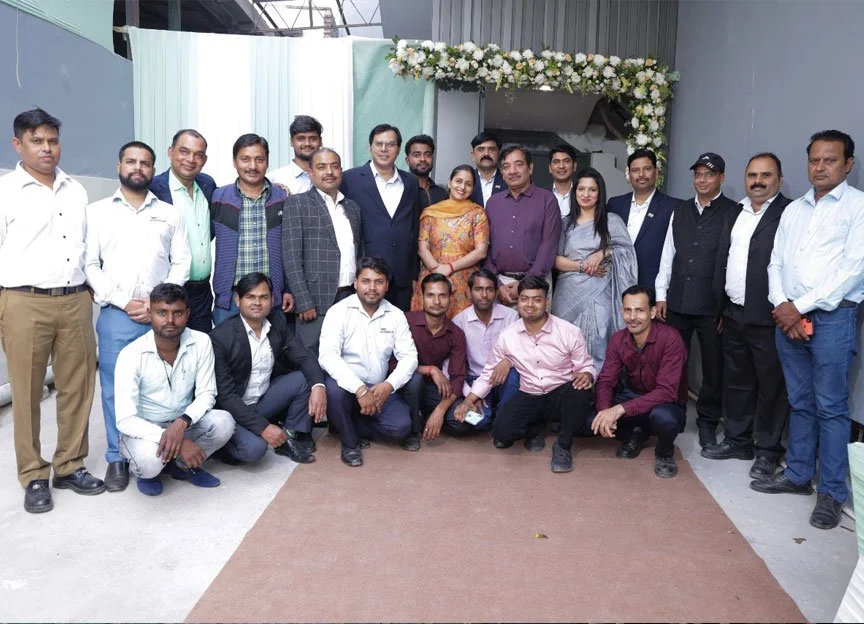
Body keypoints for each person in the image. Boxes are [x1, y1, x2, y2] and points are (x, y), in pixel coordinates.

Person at [753, 130, 864, 531]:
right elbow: (776, 262)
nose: (820, 167)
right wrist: (783, 306)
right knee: (800, 401)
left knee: (831, 407)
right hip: (788, 317)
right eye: (814, 160)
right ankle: (799, 474)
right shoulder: (795, 210)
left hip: (833, 319)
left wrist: (797, 308)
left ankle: (832, 493)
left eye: (829, 160)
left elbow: (852, 270)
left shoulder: (857, 207)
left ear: (848, 164)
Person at [0, 108, 104, 513]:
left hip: (75, 299)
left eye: (52, 140)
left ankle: (70, 465)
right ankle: (33, 474)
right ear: (18, 145)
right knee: (26, 391)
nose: (47, 148)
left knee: (77, 385)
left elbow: (84, 246)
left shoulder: (75, 190)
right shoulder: (6, 190)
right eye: (37, 141)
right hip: (24, 300)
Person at [85, 140, 191, 492]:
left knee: (164, 384)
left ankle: (162, 451)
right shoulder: (97, 212)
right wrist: (121, 300)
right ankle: (117, 457)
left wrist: (157, 303)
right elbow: (90, 264)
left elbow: (182, 262)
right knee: (115, 388)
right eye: (131, 161)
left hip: (161, 316)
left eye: (145, 163)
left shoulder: (169, 213)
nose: (138, 168)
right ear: (119, 166)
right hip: (117, 314)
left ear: (153, 169)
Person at [706, 153, 791, 478]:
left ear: (779, 180)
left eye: (765, 175)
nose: (758, 181)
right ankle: (737, 440)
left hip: (769, 316)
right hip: (734, 312)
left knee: (771, 387)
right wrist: (721, 307)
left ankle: (767, 451)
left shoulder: (788, 213)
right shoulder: (736, 212)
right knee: (737, 381)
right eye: (752, 175)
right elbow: (724, 259)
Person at [456, 277, 595, 473]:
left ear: (546, 302)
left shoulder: (569, 331)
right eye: (524, 299)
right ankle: (535, 428)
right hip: (529, 394)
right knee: (501, 433)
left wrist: (587, 374)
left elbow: (586, 365)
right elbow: (489, 372)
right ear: (518, 301)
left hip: (560, 393)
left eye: (537, 299)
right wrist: (469, 399)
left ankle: (563, 445)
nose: (530, 305)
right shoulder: (508, 335)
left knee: (581, 393)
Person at [114, 283, 234, 496]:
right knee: (149, 463)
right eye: (162, 313)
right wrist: (177, 440)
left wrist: (182, 423)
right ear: (150, 313)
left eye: (177, 313)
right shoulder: (130, 354)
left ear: (187, 314)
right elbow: (125, 419)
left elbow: (207, 393)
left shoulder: (201, 342)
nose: (170, 320)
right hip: (145, 430)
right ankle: (151, 471)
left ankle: (182, 466)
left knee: (224, 422)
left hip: (183, 422)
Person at [655, 152, 739, 448]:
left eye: (709, 174)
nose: (702, 180)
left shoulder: (733, 212)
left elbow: (736, 261)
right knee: (673, 362)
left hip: (712, 306)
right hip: (677, 301)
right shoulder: (680, 210)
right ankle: (673, 413)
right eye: (698, 174)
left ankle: (707, 422)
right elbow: (668, 254)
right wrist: (661, 294)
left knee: (713, 368)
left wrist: (726, 306)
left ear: (722, 178)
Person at [210, 272, 327, 465]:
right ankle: (220, 447)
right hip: (232, 411)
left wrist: (319, 386)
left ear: (272, 300)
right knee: (254, 450)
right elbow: (226, 396)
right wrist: (263, 428)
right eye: (250, 297)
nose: (257, 303)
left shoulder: (277, 323)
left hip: (263, 402)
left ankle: (287, 437)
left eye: (263, 297)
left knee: (304, 379)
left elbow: (304, 356)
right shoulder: (220, 337)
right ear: (238, 300)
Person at [318, 257, 418, 466]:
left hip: (379, 389)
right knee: (334, 391)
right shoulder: (338, 312)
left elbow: (409, 357)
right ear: (355, 283)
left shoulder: (396, 315)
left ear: (387, 285)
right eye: (366, 281)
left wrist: (389, 385)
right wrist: (360, 390)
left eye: (379, 282)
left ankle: (346, 423)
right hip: (347, 387)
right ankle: (350, 443)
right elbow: (328, 356)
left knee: (400, 428)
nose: (372, 288)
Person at [591, 286, 689, 478]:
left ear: (652, 312)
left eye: (639, 310)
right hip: (633, 396)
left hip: (666, 402)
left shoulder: (671, 338)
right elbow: (606, 381)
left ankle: (664, 452)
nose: (633, 317)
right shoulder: (618, 339)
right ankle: (637, 434)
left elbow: (667, 391)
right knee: (590, 420)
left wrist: (620, 409)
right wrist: (605, 412)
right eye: (628, 310)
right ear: (622, 311)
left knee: (664, 419)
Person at [551, 167, 637, 371]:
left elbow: (627, 253)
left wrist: (603, 253)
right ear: (575, 192)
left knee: (600, 337)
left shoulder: (611, 221)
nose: (586, 194)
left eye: (592, 189)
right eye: (581, 189)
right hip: (567, 295)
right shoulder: (565, 224)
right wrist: (583, 266)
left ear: (600, 193)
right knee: (564, 343)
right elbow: (555, 260)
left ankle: (599, 385)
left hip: (601, 293)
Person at [283, 147, 362, 352]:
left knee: (347, 355)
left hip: (350, 298)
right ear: (310, 172)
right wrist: (303, 300)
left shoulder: (352, 208)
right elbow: (291, 257)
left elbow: (358, 252)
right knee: (311, 357)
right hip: (315, 302)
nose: (329, 172)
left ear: (341, 171)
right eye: (321, 167)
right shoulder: (297, 203)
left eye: (334, 166)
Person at [210, 133, 293, 325]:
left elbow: (292, 248)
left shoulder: (283, 198)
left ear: (267, 161)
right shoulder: (218, 197)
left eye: (259, 159)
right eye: (245, 159)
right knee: (227, 344)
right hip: (231, 298)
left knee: (274, 344)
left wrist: (288, 289)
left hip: (272, 298)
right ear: (234, 161)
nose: (253, 166)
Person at [341, 124, 421, 311]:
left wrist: (413, 274)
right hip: (366, 276)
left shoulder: (411, 182)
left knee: (399, 325)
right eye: (379, 144)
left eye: (390, 144)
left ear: (398, 149)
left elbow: (414, 228)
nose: (384, 149)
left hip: (401, 277)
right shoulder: (349, 179)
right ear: (370, 147)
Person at [150, 129, 217, 332]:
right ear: (171, 152)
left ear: (204, 160)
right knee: (167, 345)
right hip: (167, 290)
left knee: (201, 345)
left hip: (202, 292)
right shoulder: (153, 188)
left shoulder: (207, 185)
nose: (191, 159)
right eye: (184, 151)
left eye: (198, 154)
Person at [484, 146, 561, 306]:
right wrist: (497, 284)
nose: (512, 171)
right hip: (501, 285)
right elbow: (485, 247)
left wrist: (526, 283)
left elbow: (548, 246)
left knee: (537, 324)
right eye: (506, 167)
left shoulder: (547, 200)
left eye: (518, 164)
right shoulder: (493, 203)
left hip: (537, 282)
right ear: (502, 173)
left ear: (530, 168)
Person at [410, 164, 489, 317]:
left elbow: (481, 252)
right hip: (433, 278)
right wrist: (437, 270)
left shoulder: (478, 214)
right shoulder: (431, 212)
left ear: (473, 188)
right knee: (428, 325)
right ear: (449, 182)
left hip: (464, 282)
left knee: (461, 326)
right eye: (458, 181)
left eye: (468, 184)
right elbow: (422, 248)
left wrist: (450, 268)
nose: (462, 187)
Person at [402, 274, 469, 448]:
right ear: (421, 298)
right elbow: (392, 364)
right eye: (431, 295)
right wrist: (430, 369)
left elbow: (458, 377)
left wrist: (440, 410)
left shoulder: (456, 333)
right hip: (404, 388)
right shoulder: (405, 321)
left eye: (442, 295)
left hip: (433, 391)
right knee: (415, 380)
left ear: (450, 299)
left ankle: (428, 414)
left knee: (467, 421)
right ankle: (413, 431)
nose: (437, 301)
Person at [452, 269, 520, 428]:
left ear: (496, 292)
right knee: (477, 421)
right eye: (478, 289)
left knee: (514, 376)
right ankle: (493, 418)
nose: (484, 295)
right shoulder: (459, 321)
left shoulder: (511, 316)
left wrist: (508, 361)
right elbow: (453, 366)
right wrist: (471, 394)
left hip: (503, 377)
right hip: (475, 379)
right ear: (469, 293)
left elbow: (519, 350)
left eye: (489, 289)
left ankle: (503, 419)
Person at [607, 149, 680, 289]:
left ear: (656, 172)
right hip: (616, 284)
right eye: (635, 170)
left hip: (653, 288)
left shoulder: (674, 206)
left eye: (647, 169)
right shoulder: (615, 204)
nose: (641, 174)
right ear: (629, 174)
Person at [269, 115, 323, 195]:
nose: (307, 143)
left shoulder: (332, 178)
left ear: (320, 141)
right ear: (291, 141)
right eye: (301, 138)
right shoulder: (274, 180)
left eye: (313, 138)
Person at [405, 134, 448, 209]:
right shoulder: (401, 190)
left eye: (427, 155)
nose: (423, 159)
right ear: (407, 160)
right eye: (416, 155)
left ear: (433, 159)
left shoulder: (442, 193)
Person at [469, 131, 506, 207]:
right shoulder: (466, 182)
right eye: (481, 149)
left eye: (491, 149)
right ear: (473, 155)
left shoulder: (508, 181)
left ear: (498, 154)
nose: (486, 154)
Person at [548, 144, 577, 219]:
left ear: (574, 166)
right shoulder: (540, 196)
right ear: (550, 168)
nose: (561, 166)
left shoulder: (583, 195)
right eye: (556, 162)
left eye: (566, 161)